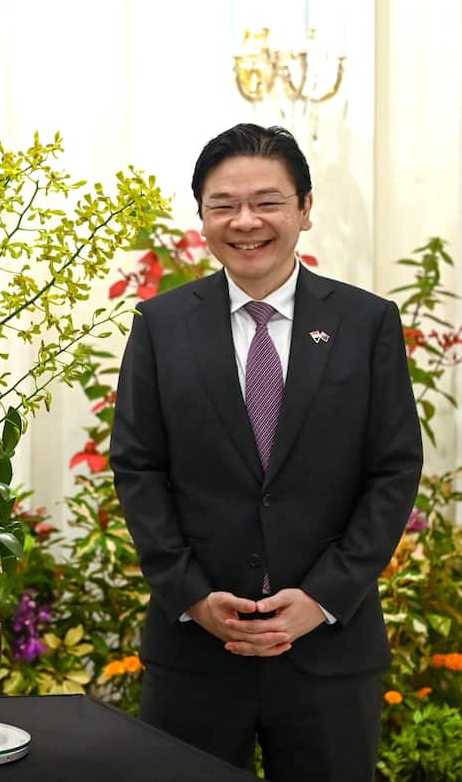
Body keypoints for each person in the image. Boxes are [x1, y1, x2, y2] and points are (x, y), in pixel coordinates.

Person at [110, 123, 422, 781]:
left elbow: (393, 470)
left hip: (330, 652)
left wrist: (323, 597)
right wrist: (193, 596)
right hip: (196, 652)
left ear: (304, 209)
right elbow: (139, 467)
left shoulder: (365, 324)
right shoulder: (161, 325)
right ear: (202, 217)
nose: (245, 221)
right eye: (223, 204)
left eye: (267, 202)